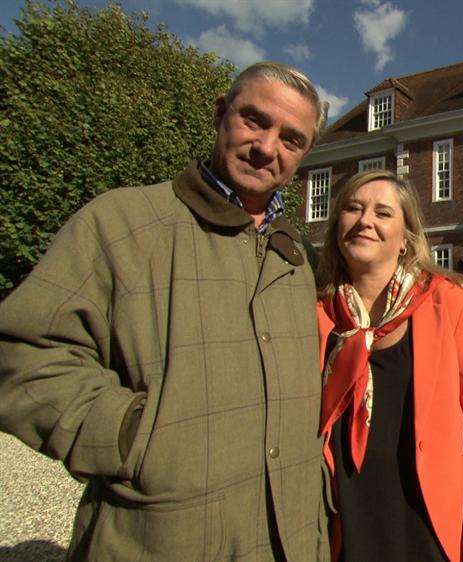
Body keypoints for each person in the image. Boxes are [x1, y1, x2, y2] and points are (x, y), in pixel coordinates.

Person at [0, 61, 330, 560]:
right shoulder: (120, 223)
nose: (267, 148)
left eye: (291, 139)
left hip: (292, 540)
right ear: (221, 113)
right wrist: (136, 436)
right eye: (254, 121)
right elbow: (23, 353)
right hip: (161, 537)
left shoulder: (298, 257)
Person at [315, 169, 463, 562]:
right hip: (344, 532)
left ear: (405, 239)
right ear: (338, 228)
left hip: (425, 531)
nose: (365, 220)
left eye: (383, 213)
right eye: (353, 208)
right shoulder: (318, 316)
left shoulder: (451, 306)